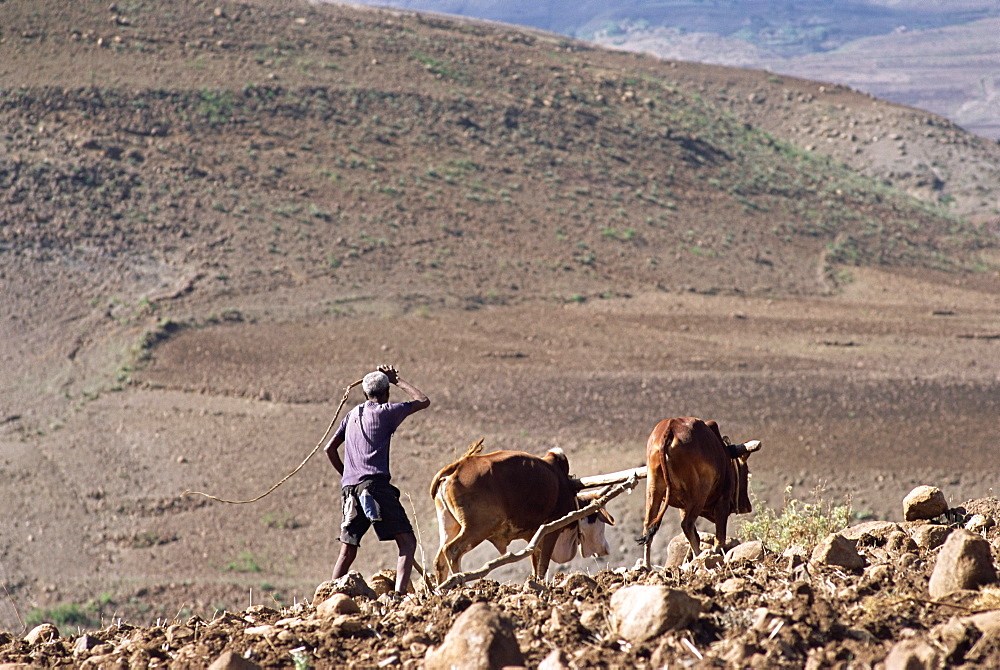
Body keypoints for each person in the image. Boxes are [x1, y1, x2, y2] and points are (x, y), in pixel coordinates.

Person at [324, 365, 430, 595]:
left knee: (347, 551)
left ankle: (330, 598)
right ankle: (399, 598)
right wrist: (396, 380)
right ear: (386, 394)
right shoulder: (386, 411)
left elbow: (329, 449)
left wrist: (347, 476)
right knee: (407, 543)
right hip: (375, 487)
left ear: (364, 394)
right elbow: (423, 400)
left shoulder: (351, 415)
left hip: (350, 491)